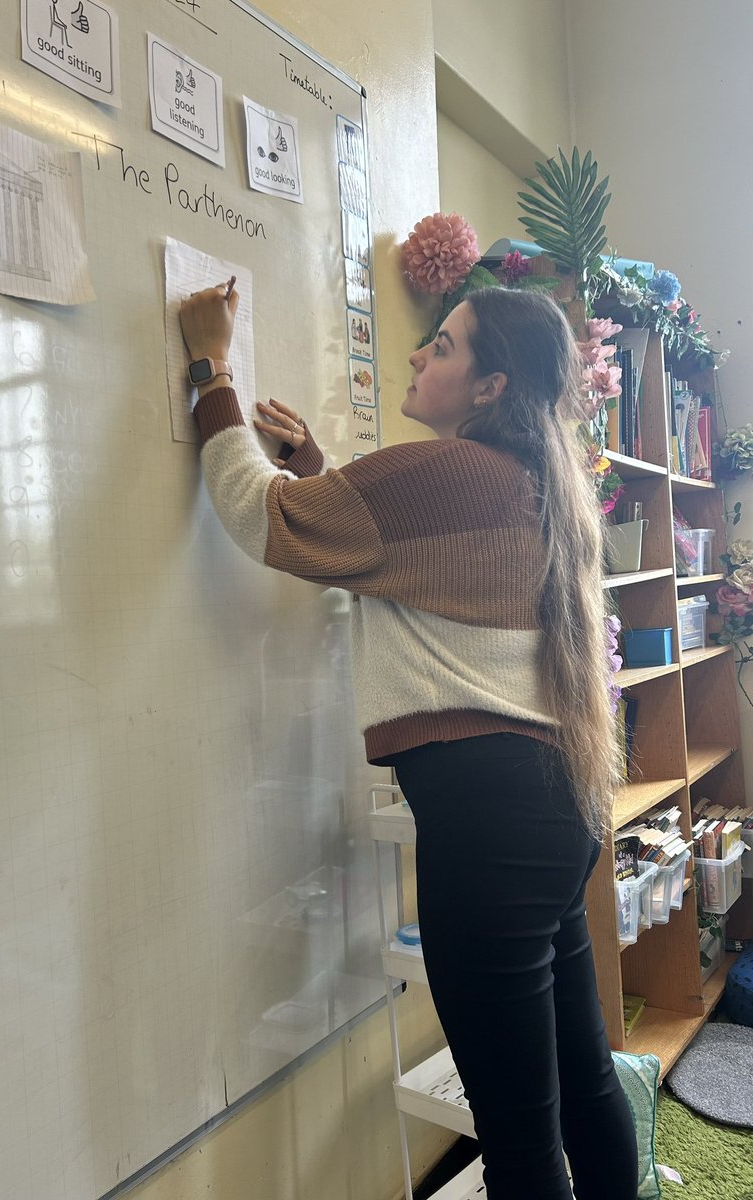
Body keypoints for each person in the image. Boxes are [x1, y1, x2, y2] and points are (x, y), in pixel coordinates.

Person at [178, 283, 638, 1200]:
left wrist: (211, 370)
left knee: (517, 1135)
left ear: (489, 388)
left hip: (489, 825)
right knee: (581, 1083)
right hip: (558, 811)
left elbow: (253, 513)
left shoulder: (437, 474)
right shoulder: (535, 482)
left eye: (447, 345)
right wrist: (320, 470)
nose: (422, 354)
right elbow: (402, 562)